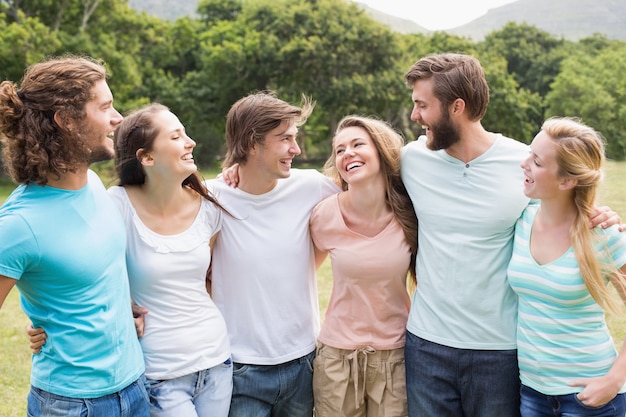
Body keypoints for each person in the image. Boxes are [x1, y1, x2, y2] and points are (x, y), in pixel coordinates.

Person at [400, 52, 622, 417]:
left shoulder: (524, 163)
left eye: (422, 105)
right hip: (425, 346)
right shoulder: (410, 159)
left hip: (500, 352)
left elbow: (565, 205)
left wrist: (598, 216)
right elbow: (355, 179)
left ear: (456, 106)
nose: (414, 116)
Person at [0, 55, 149, 417]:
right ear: (66, 120)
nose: (118, 118)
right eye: (106, 107)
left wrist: (121, 309)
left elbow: (89, 274)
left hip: (134, 388)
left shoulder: (94, 185)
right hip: (71, 404)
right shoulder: (18, 224)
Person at [206, 91, 340, 417]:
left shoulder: (312, 186)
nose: (296, 149)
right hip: (241, 369)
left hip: (304, 362)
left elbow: (369, 193)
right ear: (252, 144)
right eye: (285, 139)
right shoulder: (211, 197)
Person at [110, 103, 233, 417]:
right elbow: (81, 269)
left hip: (216, 362)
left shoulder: (210, 206)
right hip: (159, 373)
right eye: (177, 137)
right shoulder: (116, 205)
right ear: (147, 157)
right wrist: (45, 324)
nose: (190, 142)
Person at [507, 117, 626, 416]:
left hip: (589, 398)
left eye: (536, 161)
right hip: (532, 394)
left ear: (566, 180)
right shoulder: (521, 219)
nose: (524, 164)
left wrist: (614, 379)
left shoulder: (603, 233)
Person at [309, 115, 417, 416]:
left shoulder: (410, 214)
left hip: (395, 357)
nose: (347, 154)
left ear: (382, 152)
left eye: (357, 144)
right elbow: (305, 273)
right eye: (340, 149)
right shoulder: (324, 215)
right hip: (337, 360)